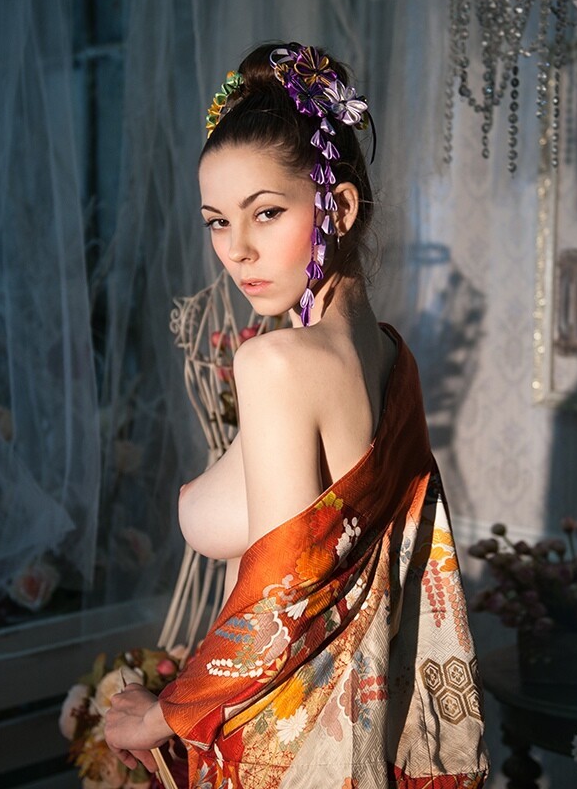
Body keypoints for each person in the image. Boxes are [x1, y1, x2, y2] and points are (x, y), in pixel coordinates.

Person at [104, 41, 489, 788]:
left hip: (290, 753)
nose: (237, 251)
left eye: (267, 213)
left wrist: (156, 717)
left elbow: (279, 604)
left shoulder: (277, 365)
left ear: (337, 207)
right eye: (216, 222)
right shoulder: (389, 358)